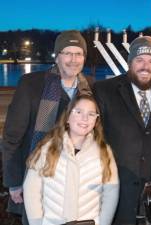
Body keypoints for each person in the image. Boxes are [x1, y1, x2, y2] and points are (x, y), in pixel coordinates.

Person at [1, 30, 92, 223]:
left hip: (77, 183)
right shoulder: (31, 84)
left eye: (78, 54)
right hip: (37, 179)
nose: (73, 59)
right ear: (57, 57)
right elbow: (12, 136)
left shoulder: (91, 88)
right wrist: (14, 182)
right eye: (67, 53)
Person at [93, 36, 151, 225]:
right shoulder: (104, 90)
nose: (145, 66)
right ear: (130, 63)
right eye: (139, 60)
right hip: (117, 192)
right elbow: (95, 139)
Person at [23, 94, 119, 225]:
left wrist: (104, 223)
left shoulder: (104, 152)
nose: (85, 118)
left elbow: (111, 192)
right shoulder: (46, 149)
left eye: (91, 114)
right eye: (78, 112)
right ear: (67, 117)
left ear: (96, 121)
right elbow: (31, 191)